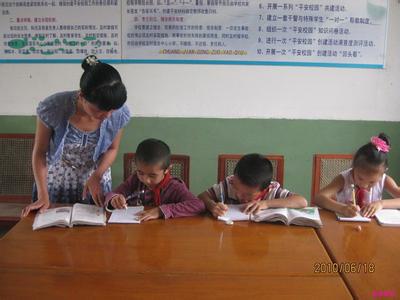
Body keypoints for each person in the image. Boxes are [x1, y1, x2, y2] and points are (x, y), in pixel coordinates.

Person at [22, 55, 130, 217]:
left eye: (112, 110)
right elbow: (40, 152)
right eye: (100, 110)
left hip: (96, 175)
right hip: (57, 177)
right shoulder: (53, 107)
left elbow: (112, 149)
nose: (107, 116)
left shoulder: (119, 112)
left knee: (96, 229)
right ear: (82, 96)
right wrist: (43, 194)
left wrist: (97, 175)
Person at [104, 138, 205, 222]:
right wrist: (114, 199)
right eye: (140, 172)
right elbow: (112, 194)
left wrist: (160, 211)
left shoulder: (175, 187)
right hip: (137, 232)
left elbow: (198, 205)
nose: (146, 180)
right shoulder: (135, 179)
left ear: (167, 170)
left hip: (165, 235)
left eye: (152, 175)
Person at [314, 133, 400, 217]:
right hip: (345, 226)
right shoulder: (343, 179)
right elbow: (318, 198)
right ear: (353, 167)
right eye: (360, 178)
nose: (364, 185)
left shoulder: (384, 180)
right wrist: (342, 208)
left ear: (383, 173)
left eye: (372, 182)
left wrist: (381, 204)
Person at [198, 153, 307, 218]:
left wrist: (266, 204)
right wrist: (212, 205)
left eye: (248, 194)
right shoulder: (229, 184)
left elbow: (302, 201)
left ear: (265, 189)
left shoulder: (272, 191)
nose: (239, 195)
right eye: (236, 189)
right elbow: (202, 196)